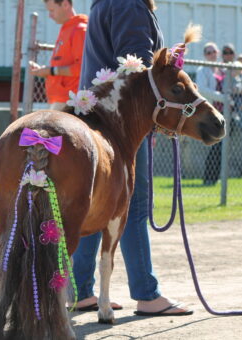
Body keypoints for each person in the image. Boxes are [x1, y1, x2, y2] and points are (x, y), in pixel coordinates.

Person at [72, 0, 193, 316]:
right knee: (133, 207)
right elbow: (137, 74)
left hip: (93, 118)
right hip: (121, 123)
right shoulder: (130, 7)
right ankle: (147, 294)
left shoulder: (104, 5)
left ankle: (81, 289)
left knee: (92, 205)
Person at [29, 0, 88, 111]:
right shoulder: (67, 29)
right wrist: (45, 71)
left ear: (65, 4)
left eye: (52, 10)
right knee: (30, 128)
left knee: (31, 128)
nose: (50, 16)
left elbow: (82, 68)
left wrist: (50, 71)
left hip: (70, 101)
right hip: (59, 100)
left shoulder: (79, 30)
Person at [196, 42, 227, 185]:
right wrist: (223, 97)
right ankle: (209, 178)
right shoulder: (202, 70)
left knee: (221, 146)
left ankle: (215, 178)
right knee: (214, 144)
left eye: (213, 51)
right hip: (211, 112)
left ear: (218, 53)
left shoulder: (223, 69)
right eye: (208, 53)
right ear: (205, 56)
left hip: (225, 112)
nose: (211, 54)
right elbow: (202, 89)